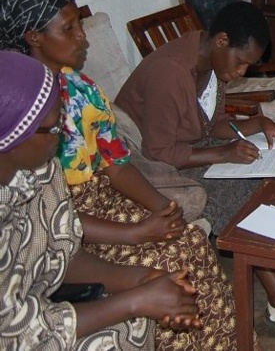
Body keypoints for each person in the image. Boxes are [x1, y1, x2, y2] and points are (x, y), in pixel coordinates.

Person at [0, 0, 271, 350]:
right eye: (70, 28)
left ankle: (229, 342)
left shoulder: (80, 91)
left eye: (80, 23)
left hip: (101, 202)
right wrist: (138, 242)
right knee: (175, 257)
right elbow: (60, 236)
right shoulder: (18, 111)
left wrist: (163, 209)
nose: (83, 36)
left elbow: (115, 165)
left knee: (189, 238)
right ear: (34, 38)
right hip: (90, 218)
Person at [115, 0, 275, 341]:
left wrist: (258, 124)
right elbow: (160, 151)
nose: (242, 71)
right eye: (242, 62)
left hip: (183, 150)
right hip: (148, 166)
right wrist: (223, 153)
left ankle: (274, 277)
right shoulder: (170, 72)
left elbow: (211, 125)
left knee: (258, 174)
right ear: (221, 41)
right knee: (237, 193)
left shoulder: (213, 67)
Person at [0, 51, 201, 350]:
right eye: (55, 127)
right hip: (20, 333)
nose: (66, 132)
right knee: (119, 331)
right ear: (11, 138)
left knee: (139, 319)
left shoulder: (43, 170)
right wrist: (135, 301)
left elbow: (64, 254)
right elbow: (13, 333)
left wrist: (144, 280)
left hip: (43, 306)